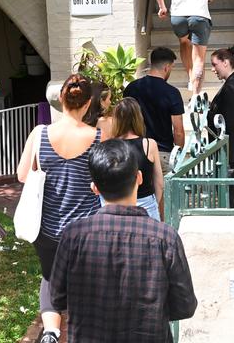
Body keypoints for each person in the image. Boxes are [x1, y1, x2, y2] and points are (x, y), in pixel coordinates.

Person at [49, 140, 197, 343]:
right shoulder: (165, 238)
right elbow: (185, 305)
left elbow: (57, 297)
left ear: (94, 188)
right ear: (139, 177)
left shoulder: (73, 235)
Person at [17, 73, 101, 343]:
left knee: (51, 277)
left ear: (61, 100)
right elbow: (103, 180)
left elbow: (21, 175)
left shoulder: (39, 133)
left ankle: (51, 332)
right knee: (84, 283)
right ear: (88, 104)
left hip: (47, 227)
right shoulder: (97, 136)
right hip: (85, 229)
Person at [124, 46, 185, 175]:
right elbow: (178, 131)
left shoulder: (131, 88)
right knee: (163, 193)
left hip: (136, 149)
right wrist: (178, 153)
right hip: (162, 152)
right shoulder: (172, 93)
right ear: (166, 67)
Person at [207, 45, 234, 208]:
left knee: (233, 192)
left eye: (214, 64)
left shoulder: (232, 86)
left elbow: (227, 120)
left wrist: (208, 113)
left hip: (231, 147)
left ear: (225, 62)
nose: (213, 69)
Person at [111, 97, 164, 221]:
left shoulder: (111, 145)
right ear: (138, 117)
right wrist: (154, 203)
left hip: (119, 203)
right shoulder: (149, 144)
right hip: (146, 203)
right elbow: (159, 182)